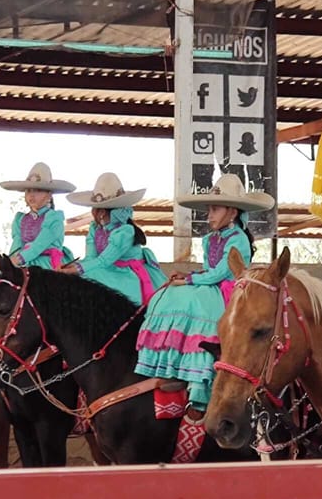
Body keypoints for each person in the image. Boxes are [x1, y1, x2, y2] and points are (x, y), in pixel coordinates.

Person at [134, 173, 275, 419]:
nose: (209, 215)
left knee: (197, 304)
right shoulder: (210, 239)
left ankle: (200, 390)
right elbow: (209, 270)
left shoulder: (239, 239)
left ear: (232, 212)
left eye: (215, 209)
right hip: (210, 286)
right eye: (209, 209)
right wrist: (188, 276)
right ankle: (171, 369)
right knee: (167, 295)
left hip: (229, 291)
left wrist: (190, 280)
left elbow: (221, 273)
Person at [61, 172, 167, 306]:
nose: (94, 212)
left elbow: (104, 260)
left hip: (125, 275)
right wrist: (74, 267)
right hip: (106, 269)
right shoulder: (95, 228)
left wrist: (78, 269)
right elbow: (90, 258)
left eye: (96, 209)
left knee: (91, 280)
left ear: (102, 212)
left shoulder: (125, 231)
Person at [0, 162, 76, 270]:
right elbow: (16, 246)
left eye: (38, 190)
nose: (32, 195)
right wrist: (8, 263)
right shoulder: (20, 219)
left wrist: (17, 260)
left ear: (49, 195)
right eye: (28, 191)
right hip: (24, 261)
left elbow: (39, 245)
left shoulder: (54, 218)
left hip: (48, 265)